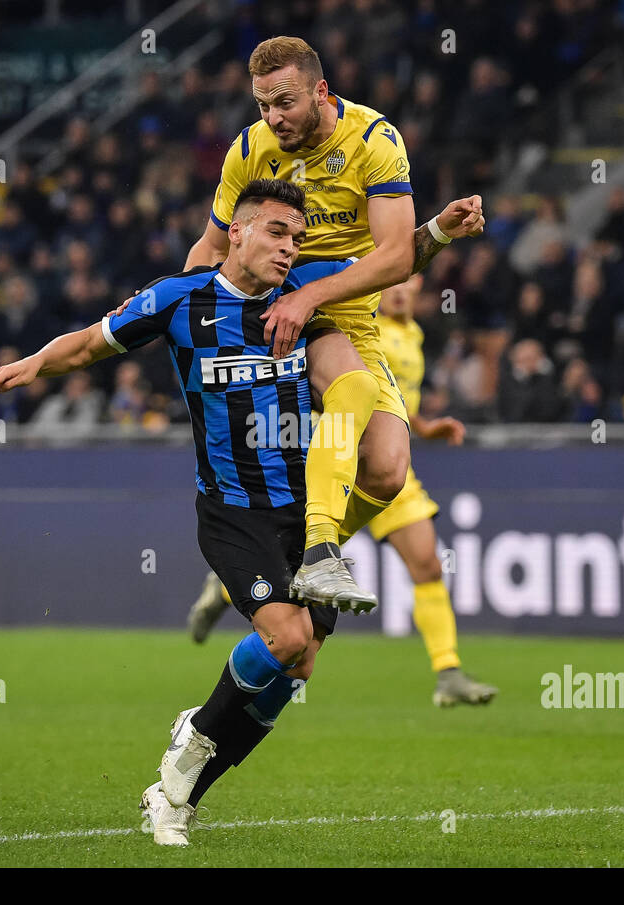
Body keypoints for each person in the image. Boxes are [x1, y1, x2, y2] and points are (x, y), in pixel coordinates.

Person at [0, 179, 464, 847]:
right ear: (237, 231)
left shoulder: (307, 301)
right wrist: (31, 362)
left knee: (299, 668)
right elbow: (90, 343)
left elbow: (392, 261)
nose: (289, 248)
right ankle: (197, 734)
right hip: (234, 510)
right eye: (276, 233)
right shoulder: (180, 300)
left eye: (297, 238)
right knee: (286, 639)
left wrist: (436, 229)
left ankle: (177, 792)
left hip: (303, 507)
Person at [176, 36, 484, 612]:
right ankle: (315, 556)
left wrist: (437, 232)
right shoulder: (250, 149)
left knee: (390, 468)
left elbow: (394, 258)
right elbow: (211, 248)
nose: (273, 118)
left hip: (344, 313)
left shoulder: (374, 140)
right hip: (273, 316)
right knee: (350, 392)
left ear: (321, 91)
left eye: (285, 102)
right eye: (263, 104)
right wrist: (186, 314)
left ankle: (282, 563)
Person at [187, 276, 498, 707]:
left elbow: (398, 400)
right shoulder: (353, 327)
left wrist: (426, 427)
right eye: (396, 284)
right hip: (335, 458)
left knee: (427, 562)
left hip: (389, 464)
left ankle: (448, 673)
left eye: (412, 285)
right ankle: (225, 589)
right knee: (293, 554)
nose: (403, 292)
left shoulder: (413, 333)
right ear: (375, 285)